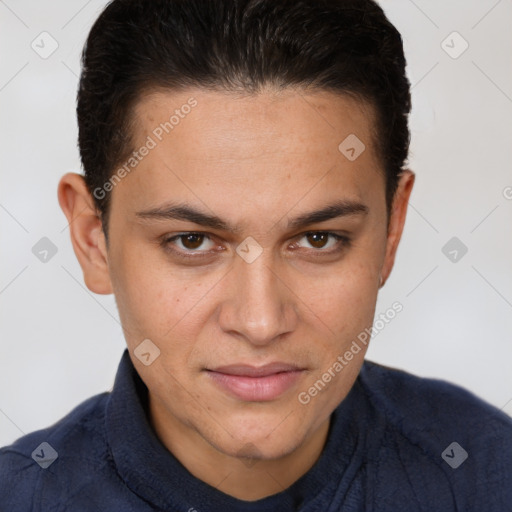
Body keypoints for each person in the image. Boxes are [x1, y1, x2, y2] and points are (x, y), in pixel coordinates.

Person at [1, 0, 511, 510]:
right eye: (192, 241)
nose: (261, 322)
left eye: (318, 239)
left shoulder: (488, 476)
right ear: (94, 240)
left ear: (392, 229)